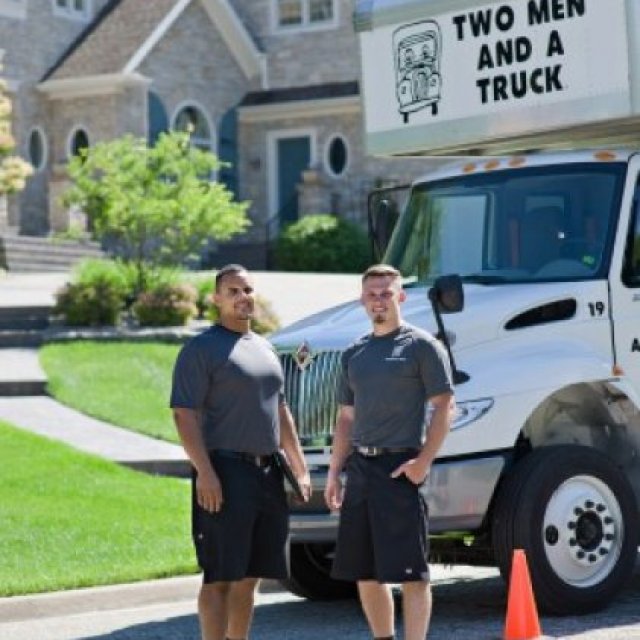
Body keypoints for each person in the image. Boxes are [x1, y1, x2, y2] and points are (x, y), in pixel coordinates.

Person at [170, 264, 311, 640]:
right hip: (225, 472)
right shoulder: (201, 349)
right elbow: (183, 414)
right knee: (220, 576)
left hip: (268, 474)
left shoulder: (265, 347)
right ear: (217, 299)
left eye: (247, 290)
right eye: (233, 291)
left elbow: (280, 409)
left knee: (251, 577)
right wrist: (205, 472)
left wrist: (299, 467)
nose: (242, 298)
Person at [325, 264, 455, 640]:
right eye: (372, 294)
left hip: (400, 466)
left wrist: (423, 462)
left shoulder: (421, 345)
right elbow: (346, 418)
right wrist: (335, 472)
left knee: (412, 574)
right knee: (364, 571)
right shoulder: (354, 352)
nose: (378, 300)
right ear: (362, 300)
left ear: (400, 297)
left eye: (386, 293)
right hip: (361, 468)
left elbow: (445, 405)